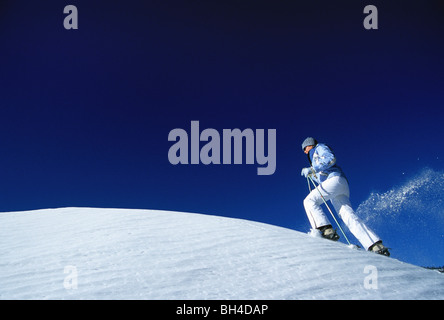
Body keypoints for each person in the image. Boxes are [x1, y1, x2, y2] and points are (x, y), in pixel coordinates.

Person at [300, 137, 390, 256]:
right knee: (347, 215)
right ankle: (375, 245)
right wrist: (313, 175)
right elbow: (322, 176)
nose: (305, 152)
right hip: (338, 185)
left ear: (310, 145)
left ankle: (325, 230)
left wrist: (312, 169)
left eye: (305, 148)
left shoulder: (318, 148)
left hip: (335, 180)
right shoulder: (314, 155)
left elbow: (330, 159)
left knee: (309, 201)